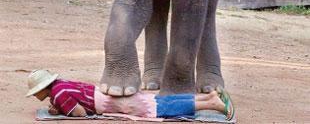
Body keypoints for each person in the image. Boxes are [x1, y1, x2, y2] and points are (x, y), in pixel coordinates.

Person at [26, 69, 234, 120]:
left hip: (112, 104)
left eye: (35, 92)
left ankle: (212, 105)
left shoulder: (59, 94)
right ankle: (208, 97)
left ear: (43, 88)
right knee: (160, 100)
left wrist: (59, 112)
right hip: (109, 93)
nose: (35, 96)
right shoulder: (61, 86)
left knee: (161, 108)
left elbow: (80, 113)